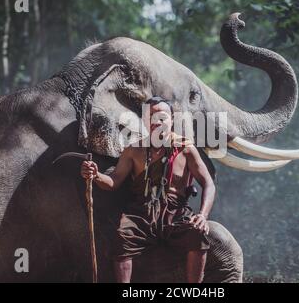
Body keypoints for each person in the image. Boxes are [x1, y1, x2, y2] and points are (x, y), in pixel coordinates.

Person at [80, 96, 216, 283]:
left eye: (162, 116)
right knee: (122, 237)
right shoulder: (134, 149)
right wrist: (96, 174)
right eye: (151, 116)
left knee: (197, 234)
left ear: (172, 119)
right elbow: (114, 181)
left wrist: (202, 215)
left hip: (176, 212)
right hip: (141, 212)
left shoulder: (186, 149)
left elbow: (208, 183)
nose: (157, 121)